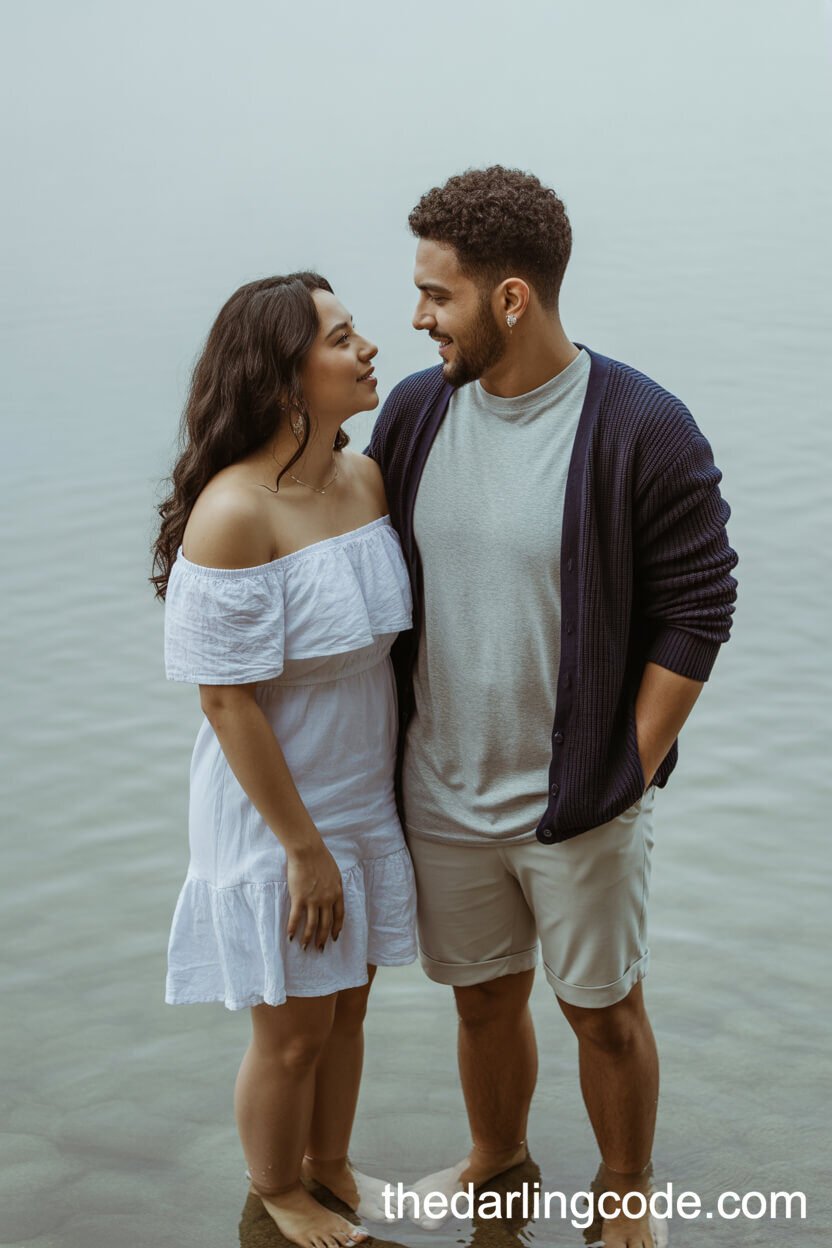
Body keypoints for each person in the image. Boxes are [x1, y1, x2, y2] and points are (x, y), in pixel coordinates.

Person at [368, 167, 738, 1247]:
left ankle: (624, 1194)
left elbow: (698, 608)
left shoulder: (642, 425)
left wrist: (623, 770)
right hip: (442, 786)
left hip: (581, 794)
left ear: (511, 298)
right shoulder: (415, 413)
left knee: (602, 1012)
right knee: (482, 998)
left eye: (437, 294)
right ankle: (497, 1160)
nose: (418, 317)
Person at [152, 273, 417, 1248]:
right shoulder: (235, 513)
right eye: (341, 338)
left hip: (361, 788)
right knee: (293, 1026)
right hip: (276, 808)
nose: (368, 348)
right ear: (282, 378)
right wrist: (302, 848)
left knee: (348, 1008)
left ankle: (330, 1165)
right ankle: (277, 1190)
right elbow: (224, 700)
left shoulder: (364, 479)